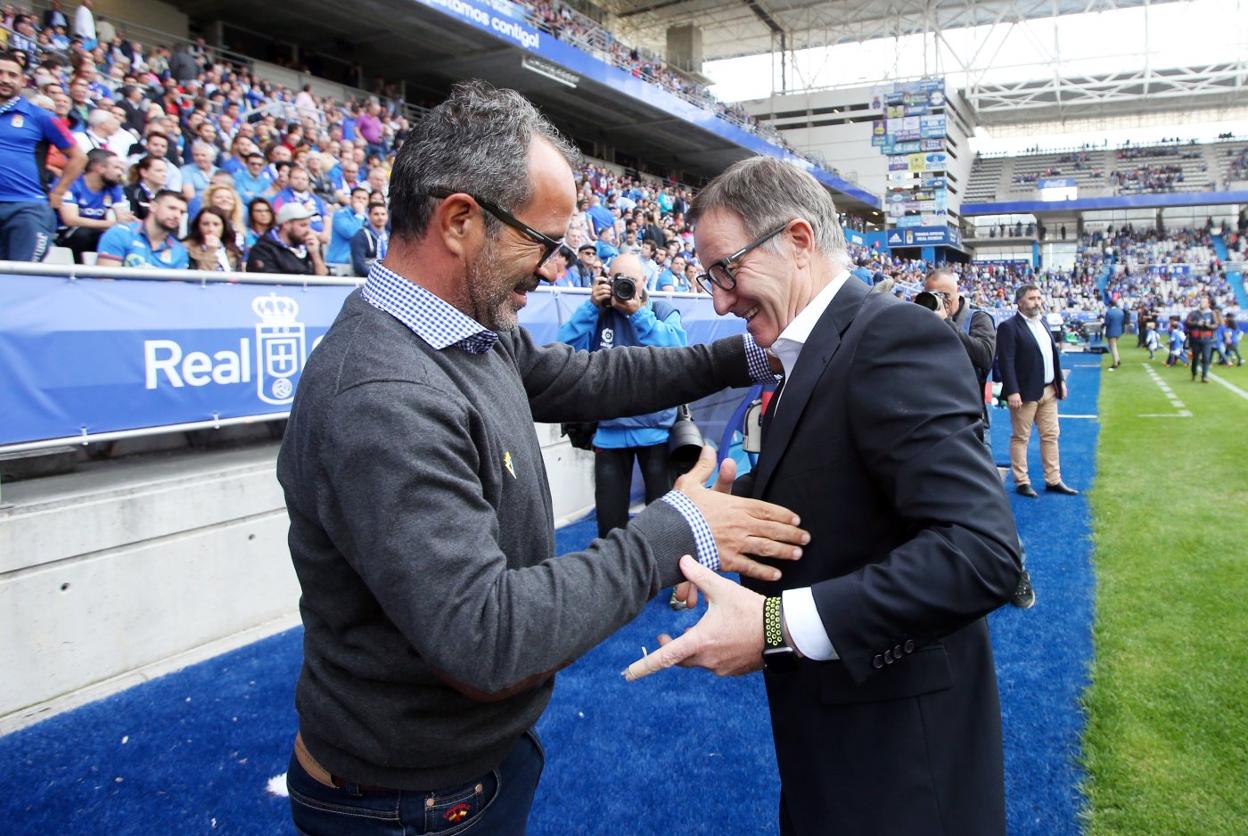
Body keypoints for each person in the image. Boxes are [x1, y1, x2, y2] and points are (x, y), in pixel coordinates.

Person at [276, 81, 808, 835]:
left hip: (458, 770)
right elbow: (489, 638)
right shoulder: (381, 394)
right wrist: (683, 524)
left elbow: (590, 377)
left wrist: (748, 356)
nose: (556, 270)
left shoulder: (459, 331)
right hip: (411, 804)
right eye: (544, 243)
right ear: (460, 221)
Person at [625, 155, 1021, 835]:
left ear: (799, 241)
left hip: (899, 774)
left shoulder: (893, 336)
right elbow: (838, 498)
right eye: (707, 278)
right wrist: (726, 508)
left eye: (726, 270)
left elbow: (982, 554)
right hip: (839, 749)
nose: (719, 300)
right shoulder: (814, 350)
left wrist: (775, 629)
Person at [923, 268, 1034, 609]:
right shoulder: (920, 316)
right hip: (928, 423)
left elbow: (983, 358)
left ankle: (1016, 572)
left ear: (957, 292)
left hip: (969, 425)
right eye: (934, 295)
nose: (940, 301)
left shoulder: (978, 319)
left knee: (989, 504)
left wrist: (943, 322)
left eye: (945, 295)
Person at [558, 253, 688, 537]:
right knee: (609, 522)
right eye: (619, 280)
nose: (625, 286)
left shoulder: (662, 310)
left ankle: (664, 572)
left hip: (657, 431)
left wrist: (637, 314)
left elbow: (678, 353)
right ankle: (617, 577)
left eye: (631, 280)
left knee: (664, 518)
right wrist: (591, 307)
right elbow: (562, 352)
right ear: (607, 279)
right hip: (610, 431)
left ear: (643, 281)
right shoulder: (599, 313)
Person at [0, 51, 86, 261]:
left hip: (27, 209)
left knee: (23, 280)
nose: (5, 79)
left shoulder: (41, 116)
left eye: (12, 75)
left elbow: (79, 157)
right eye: (0, 73)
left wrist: (58, 193)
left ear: (23, 80)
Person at [996, 285, 1078, 497]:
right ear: (1020, 302)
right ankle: (1022, 481)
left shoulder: (1043, 322)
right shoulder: (1009, 327)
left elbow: (1052, 355)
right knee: (1021, 437)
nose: (1037, 301)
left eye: (1039, 297)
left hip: (1049, 390)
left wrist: (1059, 381)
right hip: (1024, 393)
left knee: (1051, 435)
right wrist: (1013, 391)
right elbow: (1006, 361)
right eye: (1032, 298)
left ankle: (1053, 479)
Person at [54, 147, 131, 262]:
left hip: (93, 233)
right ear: (99, 168)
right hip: (63, 235)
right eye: (116, 168)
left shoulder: (114, 187)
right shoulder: (72, 182)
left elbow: (123, 219)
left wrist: (124, 221)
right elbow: (70, 219)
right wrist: (111, 224)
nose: (120, 173)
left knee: (118, 236)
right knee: (83, 234)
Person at [95, 188, 189, 268]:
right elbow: (105, 283)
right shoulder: (119, 234)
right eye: (172, 208)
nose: (177, 215)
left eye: (182, 212)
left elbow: (176, 288)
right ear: (153, 206)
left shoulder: (180, 251)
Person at [245, 201, 327, 275]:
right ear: (286, 225)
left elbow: (324, 279)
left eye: (309, 225)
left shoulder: (310, 245)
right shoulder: (263, 250)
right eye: (303, 225)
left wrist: (315, 254)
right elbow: (270, 283)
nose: (308, 230)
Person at [183, 206, 242, 271]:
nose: (211, 229)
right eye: (205, 224)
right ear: (198, 226)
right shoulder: (186, 249)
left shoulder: (231, 250)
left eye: (216, 224)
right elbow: (199, 278)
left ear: (223, 227)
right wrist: (210, 251)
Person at [327, 186, 369, 266]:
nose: (361, 201)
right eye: (358, 197)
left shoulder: (369, 217)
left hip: (361, 262)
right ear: (351, 199)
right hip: (339, 262)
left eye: (364, 199)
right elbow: (351, 233)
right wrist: (359, 215)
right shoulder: (340, 214)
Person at [349, 199, 389, 277]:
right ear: (369, 215)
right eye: (376, 214)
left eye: (383, 214)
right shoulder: (360, 235)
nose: (380, 217)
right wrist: (377, 277)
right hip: (367, 279)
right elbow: (359, 264)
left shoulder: (390, 236)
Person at [1184, 296, 1220, 383]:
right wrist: (1196, 323)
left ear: (1208, 304)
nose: (1202, 303)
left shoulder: (1211, 314)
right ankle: (1194, 373)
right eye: (1201, 302)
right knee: (1195, 358)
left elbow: (1216, 325)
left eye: (1204, 302)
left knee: (1206, 358)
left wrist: (1208, 326)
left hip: (1207, 339)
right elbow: (1187, 322)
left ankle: (1204, 376)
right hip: (1195, 339)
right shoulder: (1194, 313)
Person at [125, 154, 167, 220]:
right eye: (159, 171)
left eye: (165, 171)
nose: (164, 175)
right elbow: (131, 219)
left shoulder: (167, 195)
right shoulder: (130, 192)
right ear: (144, 172)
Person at [1104, 298, 1125, 370]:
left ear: (1110, 304)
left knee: (1113, 347)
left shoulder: (1109, 312)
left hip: (1111, 331)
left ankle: (1115, 363)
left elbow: (1107, 323)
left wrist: (1102, 325)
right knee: (1114, 346)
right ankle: (1118, 360)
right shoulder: (1120, 312)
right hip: (1119, 331)